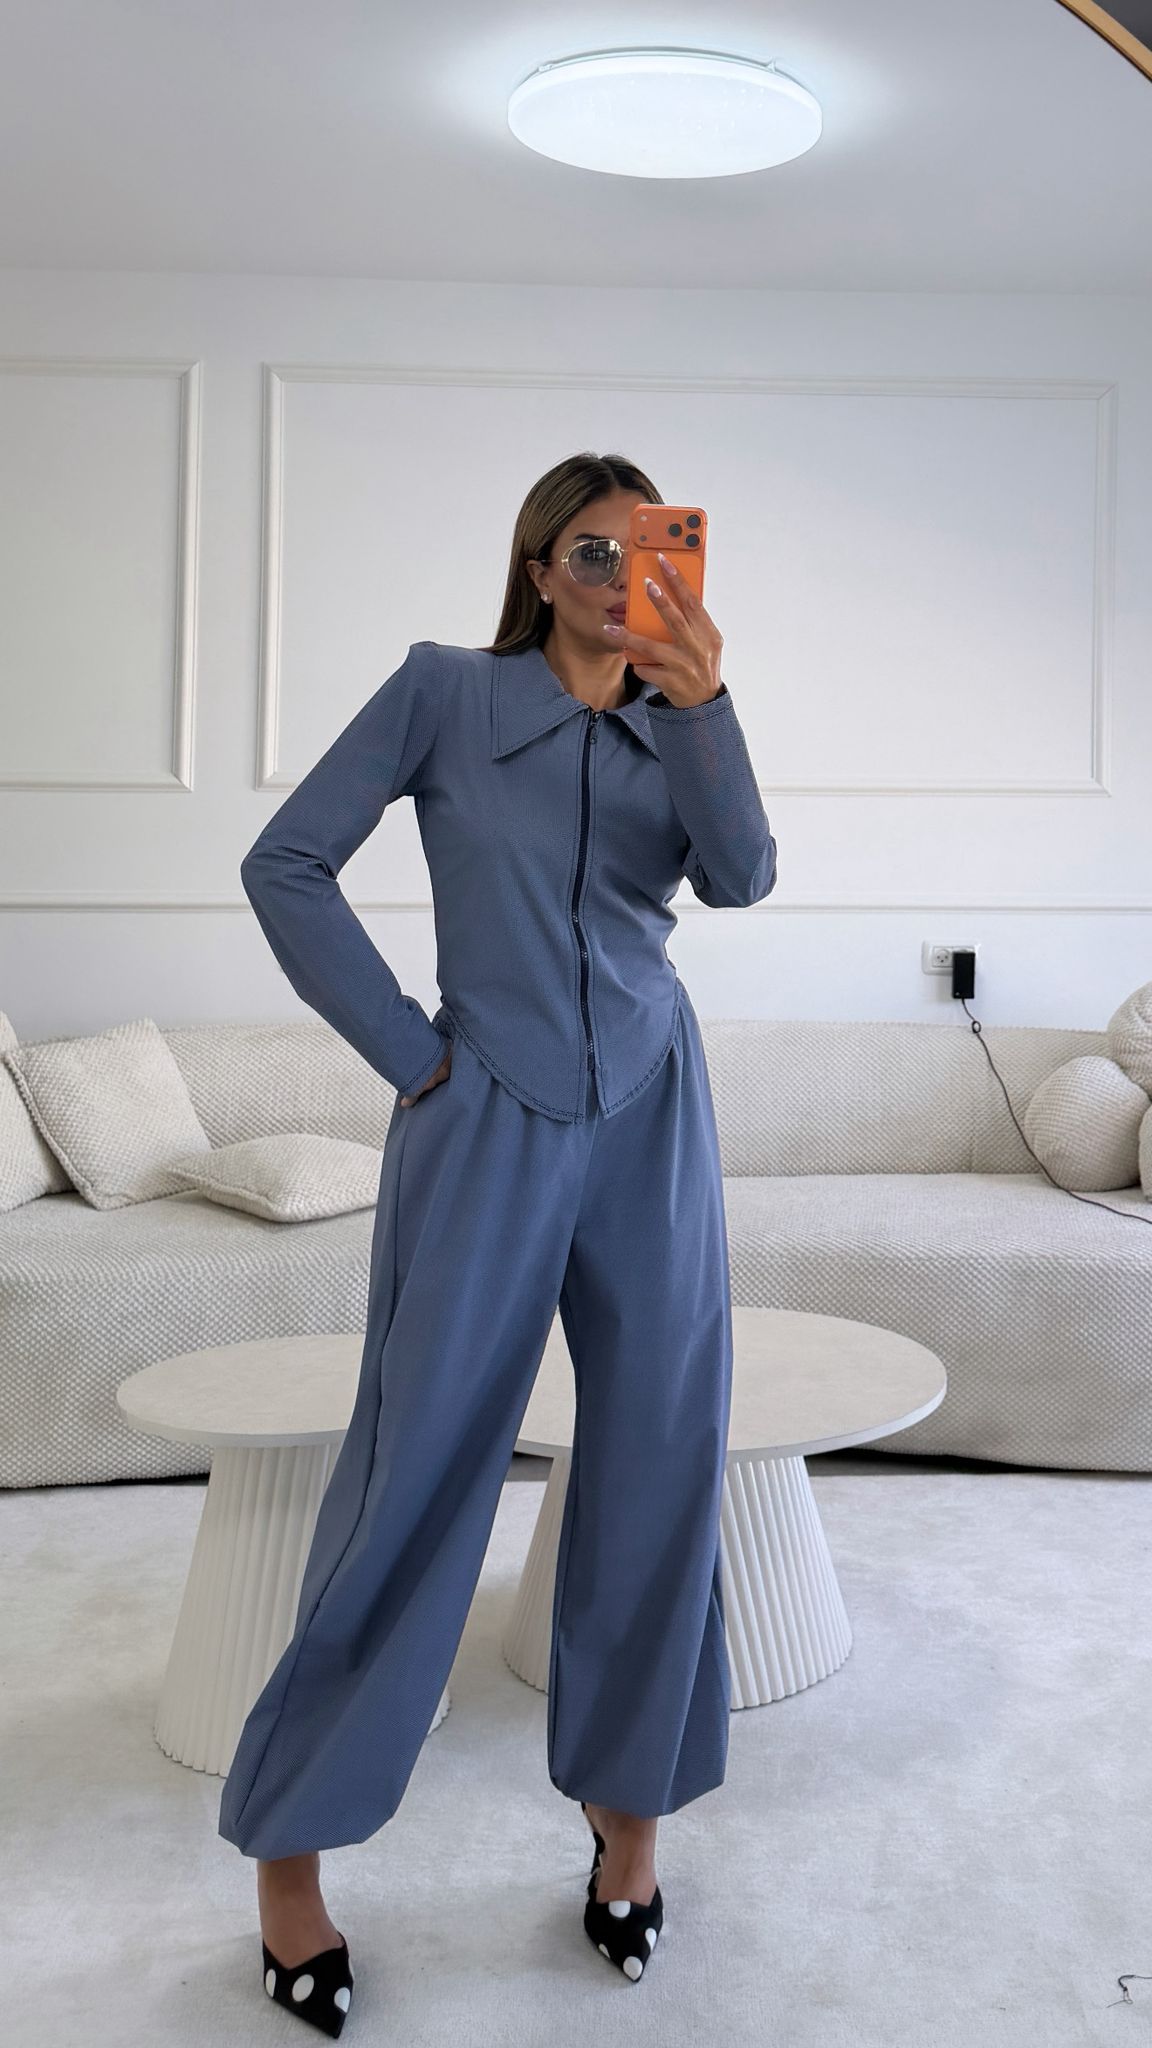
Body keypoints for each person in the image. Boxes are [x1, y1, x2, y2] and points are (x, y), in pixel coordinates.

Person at [217, 450, 778, 2036]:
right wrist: (411, 1052)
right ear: (537, 570)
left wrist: (707, 701)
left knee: (662, 1459)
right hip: (487, 1119)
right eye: (587, 551)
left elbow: (742, 879)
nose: (616, 576)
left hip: (653, 1115)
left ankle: (628, 1834)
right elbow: (285, 863)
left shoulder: (681, 714)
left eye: (646, 549)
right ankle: (291, 1857)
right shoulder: (445, 695)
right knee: (417, 1472)